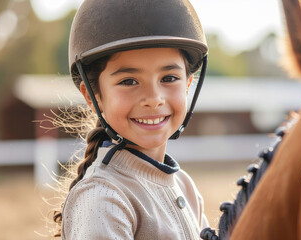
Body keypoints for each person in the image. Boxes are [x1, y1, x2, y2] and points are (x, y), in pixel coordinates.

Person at [52, 0, 209, 239]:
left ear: (188, 84)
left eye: (169, 78)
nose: (154, 99)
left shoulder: (184, 186)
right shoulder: (102, 199)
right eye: (129, 81)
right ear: (93, 96)